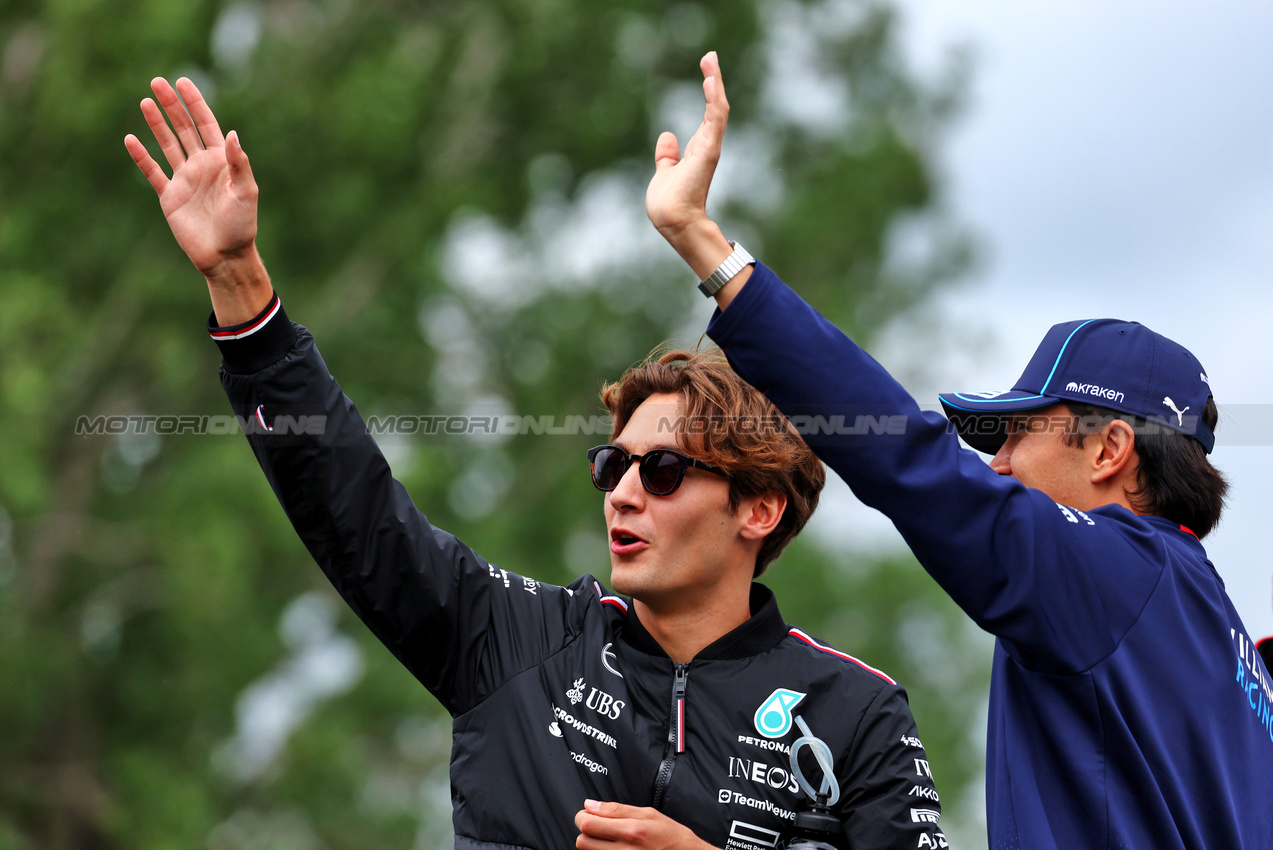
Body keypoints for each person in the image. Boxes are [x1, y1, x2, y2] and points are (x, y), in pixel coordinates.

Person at [124, 76, 951, 850]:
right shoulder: (513, 639)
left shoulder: (856, 713)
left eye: (660, 472)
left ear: (758, 510)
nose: (624, 493)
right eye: (611, 467)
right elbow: (348, 503)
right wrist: (237, 279)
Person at [648, 51, 1273, 849]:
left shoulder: (1114, 575)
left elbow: (912, 462)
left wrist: (707, 247)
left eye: (1017, 431)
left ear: (1111, 448)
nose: (997, 462)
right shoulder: (1229, 652)